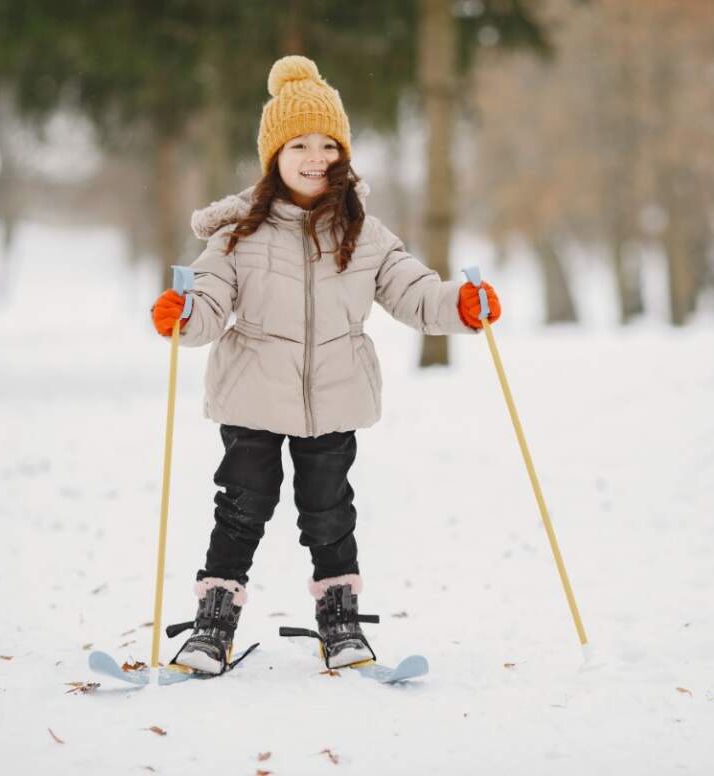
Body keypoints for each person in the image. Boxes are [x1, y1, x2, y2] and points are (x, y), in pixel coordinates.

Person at [150, 55, 502, 674]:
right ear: (274, 155)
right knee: (242, 505)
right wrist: (183, 314)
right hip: (253, 394)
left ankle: (339, 620)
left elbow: (415, 294)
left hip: (336, 394)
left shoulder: (363, 234)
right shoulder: (237, 236)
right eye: (300, 144)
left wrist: (462, 306)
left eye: (329, 145)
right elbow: (206, 306)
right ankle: (213, 624)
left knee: (329, 510)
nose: (316, 157)